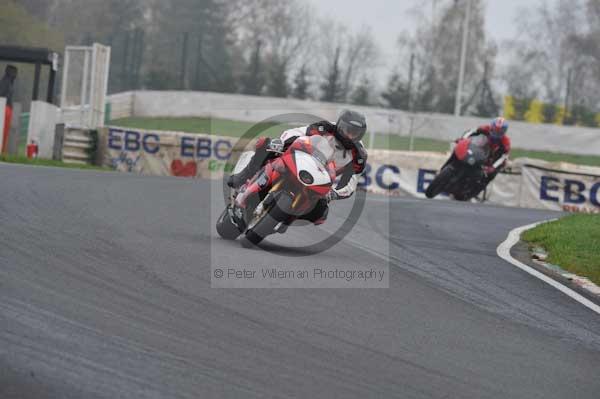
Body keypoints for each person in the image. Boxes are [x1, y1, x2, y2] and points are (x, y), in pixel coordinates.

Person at [228, 110, 368, 224]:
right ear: (340, 125)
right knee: (265, 145)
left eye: (354, 133)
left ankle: (286, 218)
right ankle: (242, 177)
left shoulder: (359, 155)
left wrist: (334, 193)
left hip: (319, 181)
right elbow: (298, 132)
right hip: (298, 160)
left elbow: (351, 183)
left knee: (320, 213)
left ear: (360, 134)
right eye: (347, 130)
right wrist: (281, 143)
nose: (349, 135)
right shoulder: (324, 128)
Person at [460, 116, 511, 184]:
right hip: (479, 150)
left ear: (504, 131)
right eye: (495, 129)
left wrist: (493, 167)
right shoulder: (485, 128)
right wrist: (462, 140)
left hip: (495, 159)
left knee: (489, 175)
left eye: (500, 131)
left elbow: (504, 157)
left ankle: (477, 188)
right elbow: (471, 131)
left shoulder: (506, 141)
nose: (496, 132)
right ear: (491, 126)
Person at [0, 65, 17, 154]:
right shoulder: (5, 82)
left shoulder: (9, 82)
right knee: (3, 132)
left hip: (7, 109)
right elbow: (2, 95)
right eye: (14, 72)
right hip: (5, 109)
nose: (15, 75)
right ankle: (1, 150)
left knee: (5, 133)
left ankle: (3, 150)